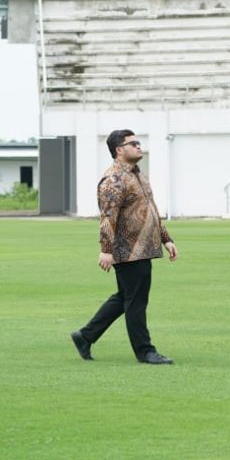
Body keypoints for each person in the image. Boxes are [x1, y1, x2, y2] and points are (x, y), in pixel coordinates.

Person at [71, 129, 178, 365]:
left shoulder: (138, 175)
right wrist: (106, 249)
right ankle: (145, 351)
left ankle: (85, 336)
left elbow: (151, 210)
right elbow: (107, 217)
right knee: (136, 301)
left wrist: (166, 238)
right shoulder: (113, 180)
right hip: (128, 251)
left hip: (144, 248)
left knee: (125, 298)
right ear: (119, 150)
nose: (139, 146)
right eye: (133, 143)